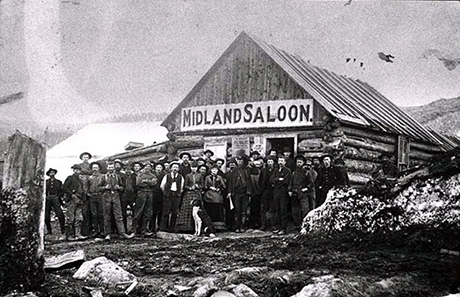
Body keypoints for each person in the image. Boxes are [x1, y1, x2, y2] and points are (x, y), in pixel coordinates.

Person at [98, 163, 134, 240]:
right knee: (107, 216)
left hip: (116, 196)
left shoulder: (117, 177)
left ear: (114, 168)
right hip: (106, 197)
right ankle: (107, 234)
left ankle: (122, 233)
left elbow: (122, 187)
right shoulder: (103, 177)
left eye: (112, 167)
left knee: (119, 216)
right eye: (109, 167)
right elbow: (98, 188)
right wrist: (105, 187)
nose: (110, 169)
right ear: (107, 168)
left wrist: (119, 188)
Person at [176, 161, 204, 233]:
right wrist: (190, 188)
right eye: (192, 167)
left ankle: (197, 229)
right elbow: (185, 185)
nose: (194, 169)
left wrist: (198, 186)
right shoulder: (188, 175)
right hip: (189, 194)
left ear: (197, 168)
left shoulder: (200, 175)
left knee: (197, 210)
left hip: (197, 193)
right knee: (187, 209)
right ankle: (186, 227)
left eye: (195, 167)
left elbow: (203, 185)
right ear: (191, 168)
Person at [288, 156, 315, 230]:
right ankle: (297, 225)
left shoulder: (307, 172)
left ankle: (305, 226)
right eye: (297, 162)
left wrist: (306, 188)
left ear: (303, 163)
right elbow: (291, 183)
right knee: (295, 211)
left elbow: (311, 183)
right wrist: (289, 190)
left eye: (300, 162)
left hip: (303, 194)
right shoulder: (294, 173)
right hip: (294, 193)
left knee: (305, 210)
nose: (299, 164)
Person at [227, 155, 253, 233]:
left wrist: (249, 192)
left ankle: (242, 226)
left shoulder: (247, 170)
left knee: (243, 210)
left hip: (245, 193)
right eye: (238, 160)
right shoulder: (234, 170)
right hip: (236, 193)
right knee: (237, 210)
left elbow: (249, 181)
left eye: (241, 160)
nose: (239, 162)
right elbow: (231, 182)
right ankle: (237, 226)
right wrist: (230, 192)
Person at [63, 164, 86, 241]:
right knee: (70, 218)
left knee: (79, 218)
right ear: (73, 170)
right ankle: (68, 235)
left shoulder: (80, 179)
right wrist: (71, 194)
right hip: (72, 200)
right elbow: (64, 187)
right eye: (76, 170)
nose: (77, 171)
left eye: (79, 170)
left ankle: (78, 234)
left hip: (79, 200)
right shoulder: (70, 178)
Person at [133, 162, 157, 237]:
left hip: (150, 193)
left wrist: (146, 181)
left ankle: (144, 230)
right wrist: (149, 183)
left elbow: (154, 183)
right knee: (139, 211)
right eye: (146, 166)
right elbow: (138, 183)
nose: (147, 168)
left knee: (148, 212)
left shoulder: (153, 175)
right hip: (141, 193)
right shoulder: (140, 175)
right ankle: (134, 230)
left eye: (149, 166)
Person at [160, 161, 185, 232]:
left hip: (176, 196)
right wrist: (166, 193)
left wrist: (178, 193)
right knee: (165, 211)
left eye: (176, 167)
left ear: (179, 169)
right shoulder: (167, 176)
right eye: (174, 167)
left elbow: (182, 187)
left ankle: (172, 228)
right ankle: (163, 227)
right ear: (171, 168)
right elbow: (162, 186)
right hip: (168, 195)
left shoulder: (180, 177)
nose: (175, 169)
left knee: (175, 212)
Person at [270, 156, 291, 235]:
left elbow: (286, 181)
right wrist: (279, 179)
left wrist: (277, 181)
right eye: (279, 161)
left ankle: (284, 229)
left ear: (285, 162)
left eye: (282, 161)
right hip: (276, 192)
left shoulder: (287, 171)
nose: (280, 163)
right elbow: (271, 180)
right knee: (277, 210)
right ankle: (278, 228)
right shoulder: (276, 170)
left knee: (283, 210)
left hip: (283, 192)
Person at [203, 165, 227, 231]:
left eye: (216, 170)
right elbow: (205, 186)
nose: (214, 171)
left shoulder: (219, 177)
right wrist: (210, 187)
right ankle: (209, 226)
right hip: (209, 195)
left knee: (218, 210)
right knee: (210, 209)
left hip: (217, 195)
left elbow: (224, 186)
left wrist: (219, 188)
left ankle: (219, 227)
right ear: (211, 170)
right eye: (213, 169)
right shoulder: (207, 177)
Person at [45, 168, 65, 240]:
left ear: (55, 173)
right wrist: (46, 196)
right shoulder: (46, 182)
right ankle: (49, 230)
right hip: (48, 199)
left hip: (56, 198)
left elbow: (62, 191)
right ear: (48, 174)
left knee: (60, 214)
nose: (52, 174)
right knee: (46, 215)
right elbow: (43, 191)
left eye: (53, 172)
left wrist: (58, 197)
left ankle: (63, 230)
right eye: (50, 173)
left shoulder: (59, 182)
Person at [86, 162, 104, 238]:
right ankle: (96, 231)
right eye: (94, 168)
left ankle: (102, 231)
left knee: (101, 214)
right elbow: (86, 187)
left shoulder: (103, 177)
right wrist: (88, 194)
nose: (95, 169)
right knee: (94, 214)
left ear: (99, 168)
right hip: (92, 197)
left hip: (100, 196)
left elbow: (104, 185)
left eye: (96, 167)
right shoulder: (90, 178)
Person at [260, 155, 276, 231]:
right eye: (268, 162)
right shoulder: (263, 171)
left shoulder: (276, 170)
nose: (270, 163)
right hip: (265, 191)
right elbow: (260, 181)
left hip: (273, 191)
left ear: (273, 163)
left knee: (272, 208)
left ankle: (273, 225)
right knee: (263, 208)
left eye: (271, 162)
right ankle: (263, 225)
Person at [248, 157, 263, 229]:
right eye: (255, 164)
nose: (257, 165)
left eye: (258, 164)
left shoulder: (262, 172)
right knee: (252, 209)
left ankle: (258, 223)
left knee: (258, 209)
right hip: (252, 193)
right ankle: (252, 224)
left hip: (259, 193)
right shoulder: (250, 172)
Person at [151, 162, 165, 233]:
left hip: (161, 194)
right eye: (157, 167)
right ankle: (152, 227)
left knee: (161, 211)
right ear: (155, 168)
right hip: (153, 194)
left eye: (160, 167)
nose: (158, 169)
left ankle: (160, 227)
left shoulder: (164, 175)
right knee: (153, 212)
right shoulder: (152, 175)